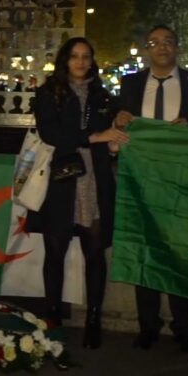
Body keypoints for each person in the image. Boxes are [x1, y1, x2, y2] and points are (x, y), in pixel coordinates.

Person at [115, 25, 188, 354]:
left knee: (181, 253)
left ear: (177, 47)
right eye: (155, 42)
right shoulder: (130, 84)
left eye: (168, 42)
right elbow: (117, 122)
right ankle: (148, 325)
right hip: (141, 181)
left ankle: (184, 327)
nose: (162, 47)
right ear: (147, 49)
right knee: (145, 252)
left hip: (182, 183)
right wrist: (118, 121)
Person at [33, 37, 127, 349]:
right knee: (54, 252)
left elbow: (114, 133)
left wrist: (113, 141)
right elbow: (51, 133)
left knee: (95, 253)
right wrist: (95, 136)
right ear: (65, 60)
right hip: (61, 181)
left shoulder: (103, 95)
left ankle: (94, 319)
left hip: (94, 181)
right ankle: (52, 318)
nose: (81, 62)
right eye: (75, 56)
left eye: (86, 56)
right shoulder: (49, 92)